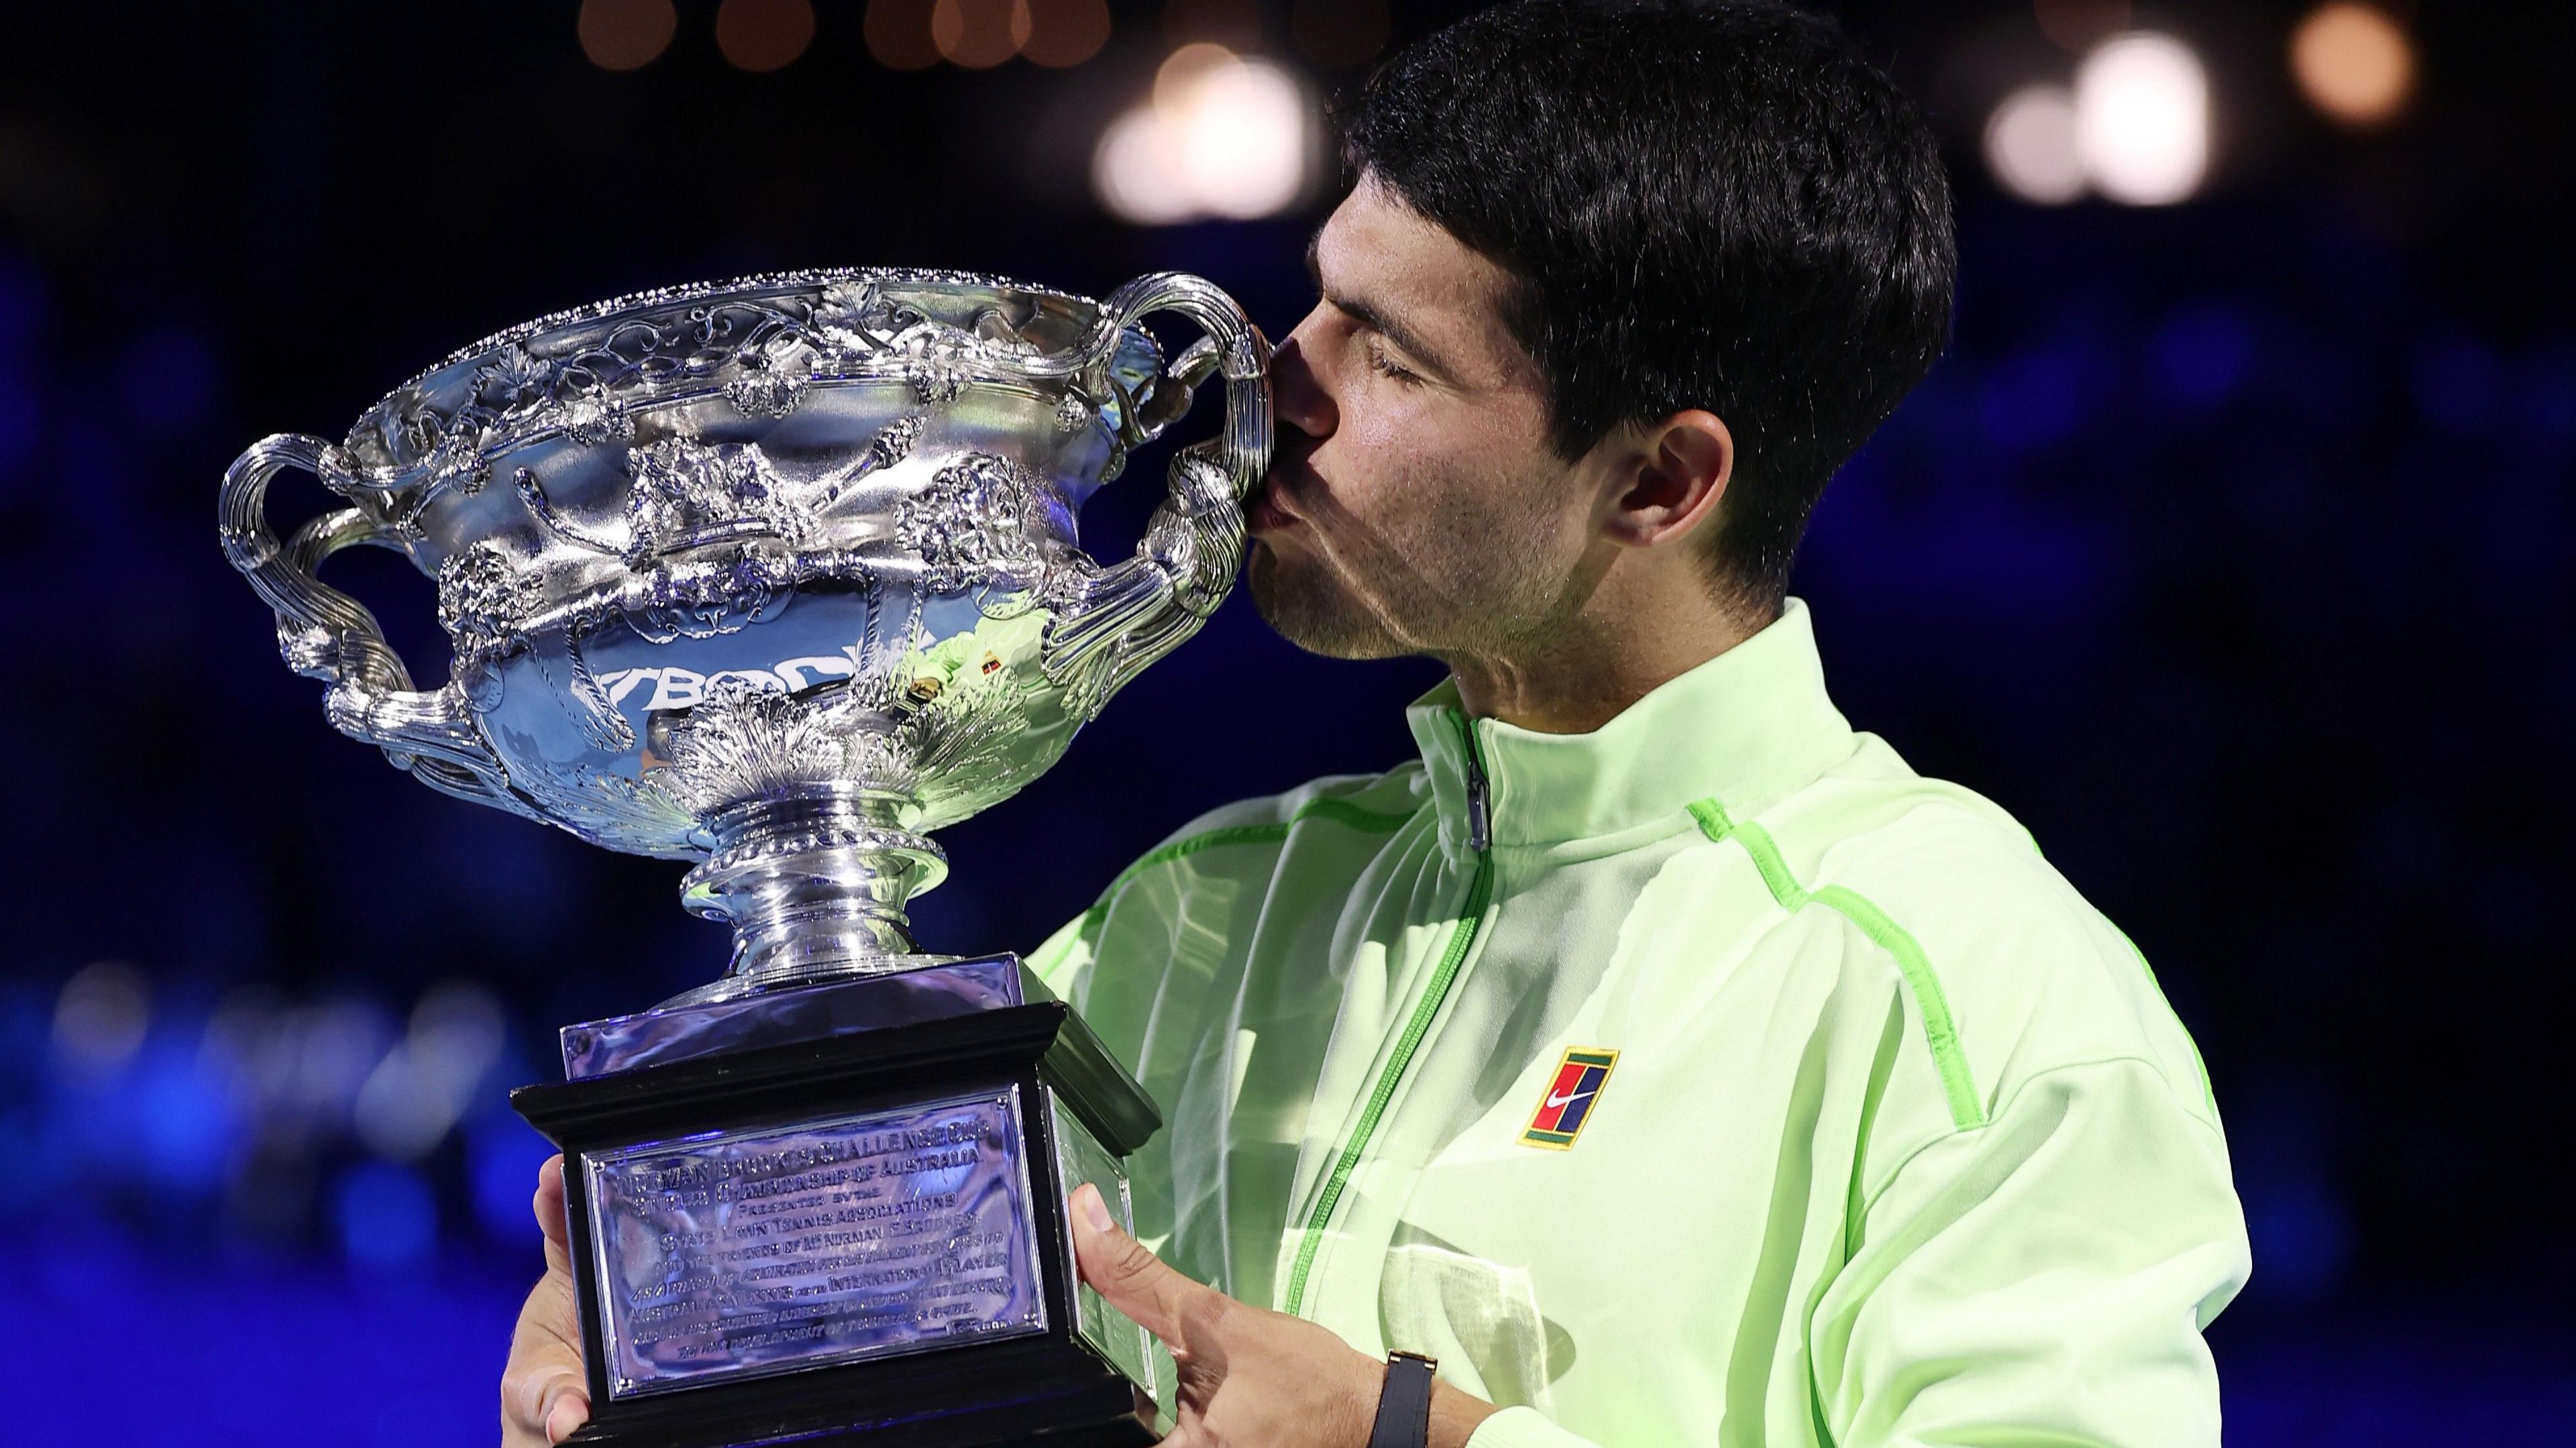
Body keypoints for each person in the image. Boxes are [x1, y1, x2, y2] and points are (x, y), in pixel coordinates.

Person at [502, 2, 2250, 1444]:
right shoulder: (1194, 919)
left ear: (1661, 481)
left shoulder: (1975, 992)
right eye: (1319, 296)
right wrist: (681, 1313)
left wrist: (1419, 1439)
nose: (1275, 386)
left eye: (1394, 356)